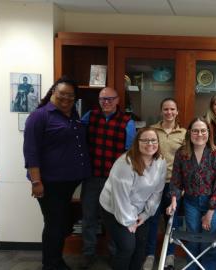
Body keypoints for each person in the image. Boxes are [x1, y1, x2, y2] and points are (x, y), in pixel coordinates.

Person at [23, 76, 91, 270]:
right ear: (53, 92)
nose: (66, 98)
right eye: (62, 93)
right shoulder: (40, 116)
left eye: (71, 95)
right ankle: (51, 265)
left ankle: (56, 260)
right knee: (55, 225)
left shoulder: (73, 115)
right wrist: (36, 182)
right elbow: (31, 151)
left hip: (69, 182)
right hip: (50, 182)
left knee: (62, 223)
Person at [79, 87, 136, 268]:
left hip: (115, 181)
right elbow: (78, 138)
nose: (106, 102)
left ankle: (114, 253)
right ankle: (88, 253)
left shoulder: (128, 121)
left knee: (113, 219)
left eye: (110, 99)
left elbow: (129, 152)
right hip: (92, 177)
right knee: (89, 217)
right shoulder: (90, 116)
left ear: (118, 100)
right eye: (103, 99)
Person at [99, 127, 166, 270]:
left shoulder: (160, 161)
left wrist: (145, 214)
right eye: (145, 140)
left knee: (140, 246)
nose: (150, 144)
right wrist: (129, 221)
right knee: (127, 247)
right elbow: (120, 197)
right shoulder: (125, 163)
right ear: (137, 142)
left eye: (153, 140)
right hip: (114, 208)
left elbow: (157, 191)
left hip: (139, 209)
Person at [166, 117, 216, 270]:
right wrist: (174, 200)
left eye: (203, 130)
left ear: (208, 133)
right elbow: (176, 179)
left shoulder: (215, 154)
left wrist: (210, 213)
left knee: (210, 240)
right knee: (193, 240)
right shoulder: (182, 153)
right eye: (195, 131)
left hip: (214, 201)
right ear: (189, 133)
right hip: (191, 202)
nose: (199, 134)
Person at [143, 98, 186, 270]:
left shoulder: (184, 133)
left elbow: (186, 161)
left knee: (172, 221)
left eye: (172, 109)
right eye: (166, 109)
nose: (169, 112)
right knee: (152, 220)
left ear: (177, 112)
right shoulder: (152, 130)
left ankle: (169, 256)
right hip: (153, 184)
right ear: (161, 111)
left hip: (174, 184)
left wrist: (182, 186)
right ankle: (150, 255)